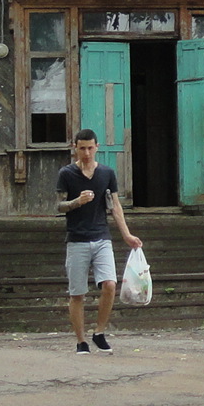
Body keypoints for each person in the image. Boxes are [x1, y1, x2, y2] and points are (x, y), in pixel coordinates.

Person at [56, 128, 142, 355]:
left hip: (102, 236)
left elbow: (115, 206)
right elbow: (59, 206)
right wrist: (77, 201)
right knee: (77, 293)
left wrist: (126, 235)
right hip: (76, 239)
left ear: (97, 147)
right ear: (75, 147)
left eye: (90, 148)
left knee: (110, 285)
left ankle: (99, 332)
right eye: (82, 148)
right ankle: (81, 341)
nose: (86, 152)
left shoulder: (106, 173)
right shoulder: (66, 173)